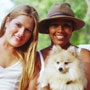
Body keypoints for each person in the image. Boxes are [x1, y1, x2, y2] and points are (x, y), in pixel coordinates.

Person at [28, 2, 90, 90]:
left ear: (72, 29)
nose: (60, 30)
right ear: (48, 28)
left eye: (66, 25)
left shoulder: (84, 54)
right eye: (55, 25)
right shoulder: (37, 57)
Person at [0, 4, 39, 90]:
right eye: (18, 25)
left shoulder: (30, 60)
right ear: (7, 21)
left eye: (28, 30)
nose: (21, 33)